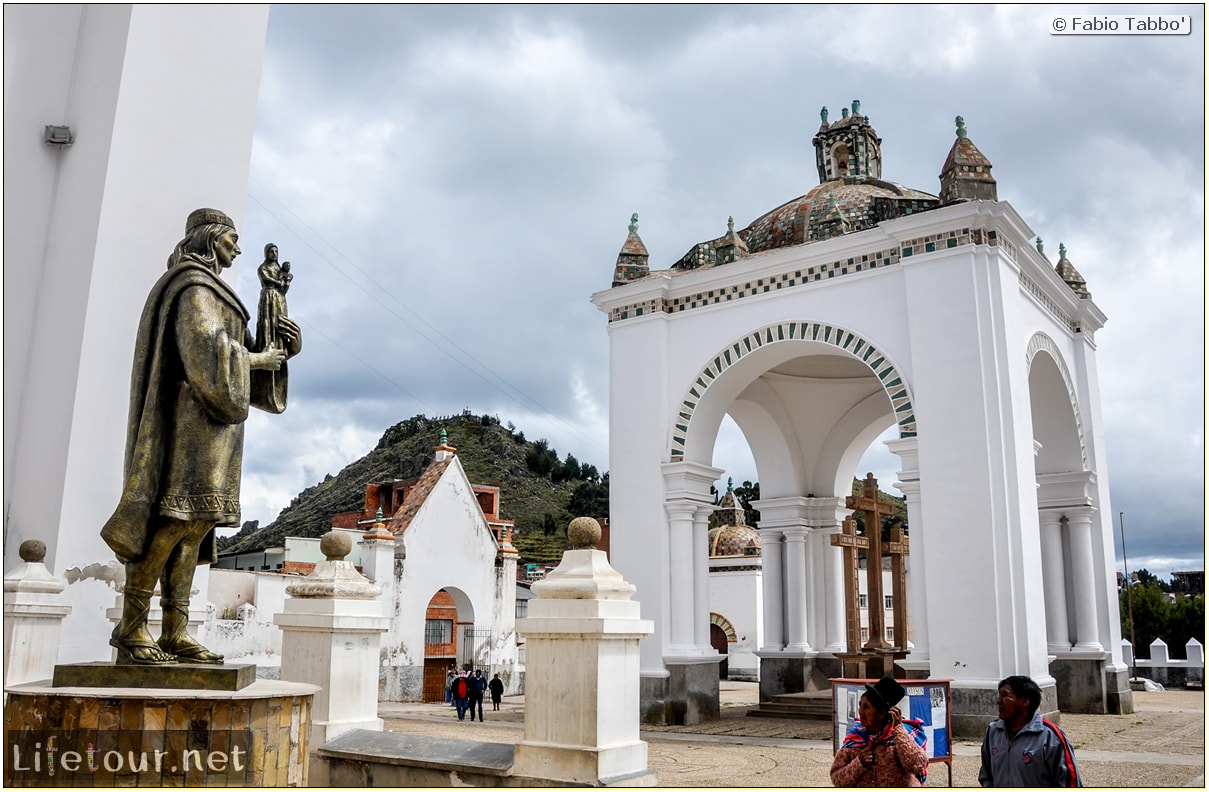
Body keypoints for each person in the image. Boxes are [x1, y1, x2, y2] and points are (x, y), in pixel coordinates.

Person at [101, 208, 300, 665]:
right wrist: (257, 360)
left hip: (220, 426)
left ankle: (175, 630)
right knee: (174, 519)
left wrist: (282, 341)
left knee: (197, 523)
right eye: (232, 239)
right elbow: (207, 350)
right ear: (211, 239)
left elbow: (244, 352)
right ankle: (132, 626)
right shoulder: (192, 286)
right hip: (192, 421)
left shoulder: (217, 291)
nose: (238, 247)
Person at [979, 675, 1083, 787]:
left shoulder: (1050, 736)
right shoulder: (993, 731)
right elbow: (987, 775)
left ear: (1025, 701)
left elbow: (1070, 782)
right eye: (999, 695)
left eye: (1005, 695)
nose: (998, 701)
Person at [830, 676, 929, 787]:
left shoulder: (901, 737)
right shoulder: (855, 739)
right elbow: (837, 779)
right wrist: (859, 763)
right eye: (860, 705)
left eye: (866, 707)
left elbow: (917, 764)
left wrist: (899, 731)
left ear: (881, 713)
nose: (860, 711)